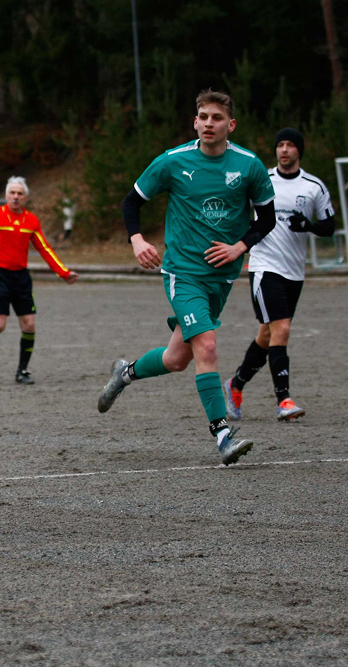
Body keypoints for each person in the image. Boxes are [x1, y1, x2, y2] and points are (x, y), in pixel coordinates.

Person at [96, 89, 276, 466]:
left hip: (222, 277)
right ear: (195, 121)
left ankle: (124, 374)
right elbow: (131, 202)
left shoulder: (249, 166)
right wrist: (137, 240)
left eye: (216, 117)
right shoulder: (173, 161)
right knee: (206, 348)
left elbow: (267, 219)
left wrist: (238, 247)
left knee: (178, 358)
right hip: (183, 272)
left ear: (231, 124)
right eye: (203, 117)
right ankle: (223, 435)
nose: (209, 123)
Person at [224, 128, 335, 423]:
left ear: (299, 151)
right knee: (282, 329)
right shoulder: (263, 180)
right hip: (264, 266)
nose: (284, 150)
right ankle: (283, 399)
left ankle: (235, 384)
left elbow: (329, 226)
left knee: (267, 334)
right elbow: (238, 215)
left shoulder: (314, 186)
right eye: (280, 145)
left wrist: (308, 225)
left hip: (295, 271)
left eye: (290, 145)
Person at [0, 176, 79, 385]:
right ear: (6, 195)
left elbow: (44, 248)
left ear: (25, 198)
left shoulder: (31, 221)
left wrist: (63, 272)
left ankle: (22, 371)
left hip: (21, 277)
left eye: (19, 194)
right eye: (12, 193)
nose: (15, 197)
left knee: (29, 324)